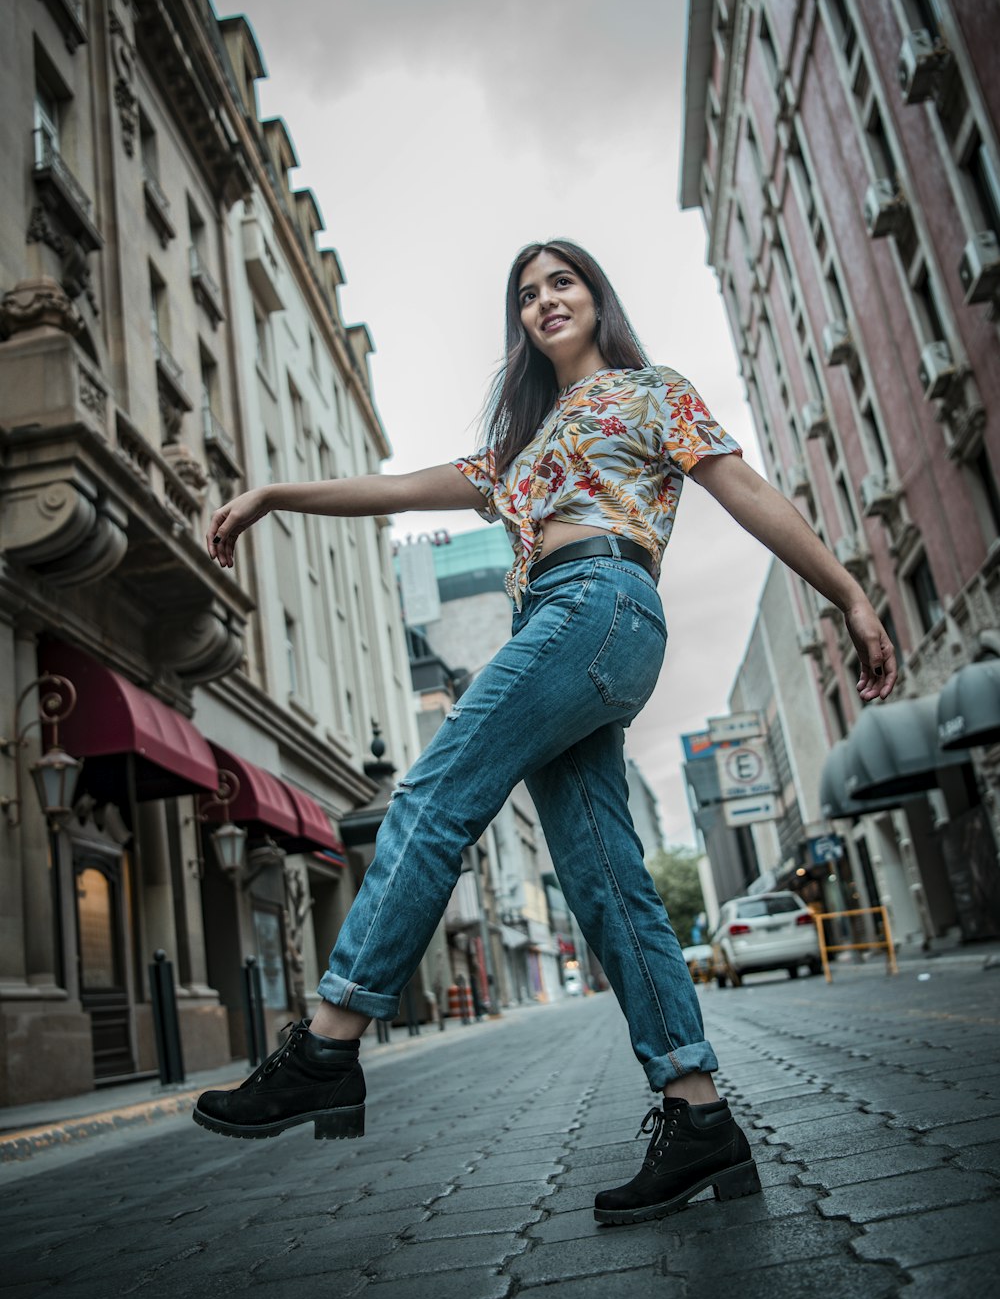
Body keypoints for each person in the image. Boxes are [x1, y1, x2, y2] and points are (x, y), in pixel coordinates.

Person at [193, 240, 897, 1225]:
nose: (542, 301)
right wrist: (275, 494)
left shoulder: (650, 395)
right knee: (605, 880)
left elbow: (750, 498)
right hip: (561, 630)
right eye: (526, 294)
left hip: (600, 601)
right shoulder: (517, 453)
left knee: (436, 795)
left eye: (560, 282)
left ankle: (328, 1043)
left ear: (595, 296)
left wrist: (849, 594)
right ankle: (697, 1116)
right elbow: (394, 491)